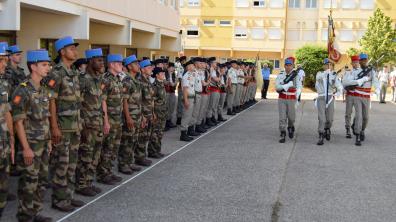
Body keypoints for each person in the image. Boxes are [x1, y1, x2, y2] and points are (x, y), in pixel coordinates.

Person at [45, 36, 84, 212]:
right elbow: (50, 101)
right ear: (62, 52)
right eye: (71, 49)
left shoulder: (74, 73)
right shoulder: (56, 73)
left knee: (72, 164)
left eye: (75, 49)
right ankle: (59, 200)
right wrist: (54, 127)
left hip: (75, 126)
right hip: (62, 127)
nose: (75, 52)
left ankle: (68, 196)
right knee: (61, 164)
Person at [12, 49, 52, 222]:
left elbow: (46, 118)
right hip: (30, 145)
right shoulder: (22, 90)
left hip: (43, 143)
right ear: (33, 66)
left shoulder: (43, 89)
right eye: (44, 65)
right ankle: (24, 215)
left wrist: (49, 140)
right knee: (29, 181)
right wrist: (26, 147)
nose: (48, 68)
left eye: (48, 64)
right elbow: (18, 122)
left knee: (42, 179)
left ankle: (35, 212)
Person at [75, 48, 105, 196]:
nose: (102, 63)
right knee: (85, 155)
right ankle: (81, 184)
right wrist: (82, 125)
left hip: (97, 124)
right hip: (87, 126)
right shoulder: (83, 80)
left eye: (102, 60)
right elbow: (77, 104)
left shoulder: (97, 80)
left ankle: (88, 182)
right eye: (99, 60)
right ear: (91, 61)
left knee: (95, 155)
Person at [96, 54, 124, 184]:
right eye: (119, 63)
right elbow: (103, 101)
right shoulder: (105, 79)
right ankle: (103, 174)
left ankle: (109, 171)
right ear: (112, 64)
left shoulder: (117, 79)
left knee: (114, 147)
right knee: (107, 147)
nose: (121, 65)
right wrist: (105, 121)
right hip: (110, 120)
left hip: (118, 119)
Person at [343, 53, 379, 146]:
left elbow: (375, 81)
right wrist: (360, 80)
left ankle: (362, 130)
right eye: (362, 60)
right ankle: (357, 135)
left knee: (366, 117)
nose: (364, 62)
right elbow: (347, 81)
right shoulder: (355, 72)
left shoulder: (371, 71)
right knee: (358, 116)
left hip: (366, 96)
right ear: (360, 61)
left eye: (365, 60)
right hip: (357, 95)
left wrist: (377, 90)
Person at [118, 55, 143, 176]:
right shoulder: (127, 81)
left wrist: (141, 115)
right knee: (127, 141)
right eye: (136, 64)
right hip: (130, 116)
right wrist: (127, 117)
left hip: (137, 115)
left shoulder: (136, 80)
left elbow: (139, 100)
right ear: (129, 66)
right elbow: (124, 101)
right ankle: (123, 164)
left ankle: (130, 162)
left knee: (133, 140)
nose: (138, 66)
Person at [5, 45, 26, 180]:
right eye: (17, 54)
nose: (19, 56)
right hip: (10, 108)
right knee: (10, 137)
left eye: (20, 54)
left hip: (20, 107)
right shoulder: (7, 72)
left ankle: (16, 163)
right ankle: (11, 165)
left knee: (19, 137)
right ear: (10, 56)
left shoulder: (21, 71)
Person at [0, 42, 15, 220]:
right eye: (1, 60)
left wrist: (12, 140)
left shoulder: (3, 83)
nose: (5, 63)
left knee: (3, 188)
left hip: (3, 142)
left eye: (5, 59)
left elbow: (8, 112)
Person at [315, 58, 343, 145]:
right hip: (321, 97)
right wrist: (325, 73)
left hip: (330, 97)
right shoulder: (319, 73)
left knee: (330, 119)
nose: (328, 66)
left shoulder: (334, 75)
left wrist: (338, 92)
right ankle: (321, 134)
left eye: (330, 65)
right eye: (326, 65)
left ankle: (327, 128)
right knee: (322, 118)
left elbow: (339, 86)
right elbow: (318, 78)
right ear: (323, 65)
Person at [275, 58, 302, 143]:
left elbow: (298, 87)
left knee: (291, 118)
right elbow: (277, 87)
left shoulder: (296, 75)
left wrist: (297, 97)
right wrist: (287, 86)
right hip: (282, 98)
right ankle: (282, 133)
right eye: (286, 65)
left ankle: (290, 126)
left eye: (290, 65)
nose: (288, 67)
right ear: (284, 66)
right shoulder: (280, 75)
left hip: (291, 99)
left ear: (292, 66)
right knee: (282, 117)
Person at [135, 59, 154, 166]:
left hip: (148, 113)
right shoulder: (140, 81)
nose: (151, 69)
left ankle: (142, 156)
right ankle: (139, 157)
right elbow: (139, 100)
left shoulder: (147, 80)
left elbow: (150, 99)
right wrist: (142, 115)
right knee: (141, 137)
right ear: (142, 69)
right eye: (148, 67)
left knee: (146, 135)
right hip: (143, 114)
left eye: (151, 67)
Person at [148, 67, 167, 158]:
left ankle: (157, 150)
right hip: (156, 112)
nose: (163, 75)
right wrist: (153, 113)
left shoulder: (162, 84)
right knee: (154, 133)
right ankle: (152, 151)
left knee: (160, 133)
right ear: (156, 75)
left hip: (162, 112)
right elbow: (151, 101)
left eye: (164, 73)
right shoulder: (154, 86)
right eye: (161, 73)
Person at [342, 55, 360, 138]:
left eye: (357, 62)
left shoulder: (361, 72)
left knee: (358, 114)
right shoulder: (348, 72)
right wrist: (354, 82)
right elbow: (345, 82)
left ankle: (354, 125)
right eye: (354, 62)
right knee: (348, 113)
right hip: (349, 95)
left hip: (358, 95)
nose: (355, 64)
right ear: (351, 63)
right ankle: (348, 129)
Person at [180, 60, 196, 142]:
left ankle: (187, 132)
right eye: (193, 65)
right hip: (188, 97)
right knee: (186, 116)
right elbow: (185, 89)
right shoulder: (186, 76)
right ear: (189, 67)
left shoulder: (191, 75)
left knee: (189, 115)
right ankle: (183, 134)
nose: (194, 67)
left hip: (191, 97)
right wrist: (186, 100)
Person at [164, 62, 177, 130]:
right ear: (168, 68)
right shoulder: (165, 73)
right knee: (166, 107)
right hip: (166, 92)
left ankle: (169, 121)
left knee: (172, 106)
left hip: (172, 91)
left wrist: (174, 83)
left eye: (173, 67)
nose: (173, 69)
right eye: (171, 67)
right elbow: (164, 81)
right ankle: (165, 122)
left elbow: (175, 82)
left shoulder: (174, 74)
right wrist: (169, 82)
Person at [175, 56, 187, 125]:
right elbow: (180, 78)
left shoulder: (185, 68)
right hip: (181, 88)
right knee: (180, 103)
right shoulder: (180, 68)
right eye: (183, 60)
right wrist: (182, 87)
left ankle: (182, 117)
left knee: (183, 103)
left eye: (185, 60)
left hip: (185, 88)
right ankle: (178, 118)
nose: (184, 61)